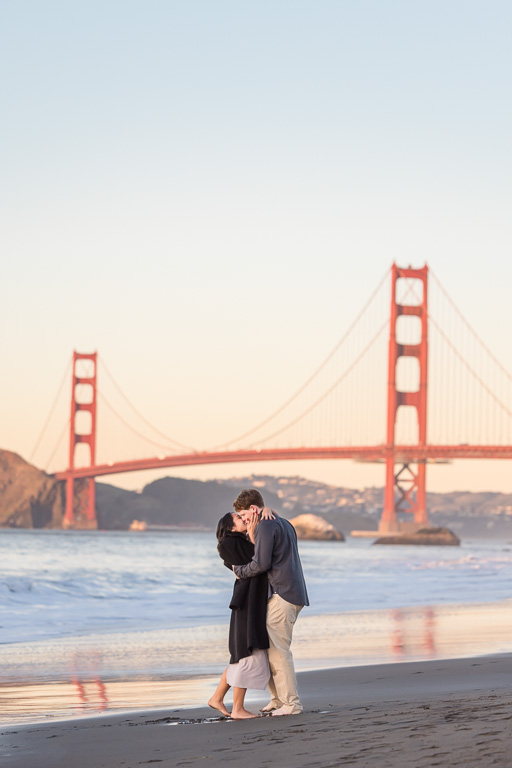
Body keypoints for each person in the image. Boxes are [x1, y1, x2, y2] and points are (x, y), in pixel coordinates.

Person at [232, 489, 309, 717]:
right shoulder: (282, 522)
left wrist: (240, 571)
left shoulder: (266, 525)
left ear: (253, 509)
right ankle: (276, 700)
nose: (244, 519)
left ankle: (291, 704)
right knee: (269, 649)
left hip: (283, 594)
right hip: (293, 593)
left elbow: (261, 563)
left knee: (278, 651)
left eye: (244, 514)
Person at [208, 510, 270, 719]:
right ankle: (237, 709)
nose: (243, 519)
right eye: (237, 518)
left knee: (240, 651)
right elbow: (258, 562)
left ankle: (217, 698)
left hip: (251, 599)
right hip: (247, 601)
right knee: (244, 650)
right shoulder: (229, 543)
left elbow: (255, 560)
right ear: (231, 527)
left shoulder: (239, 540)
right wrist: (252, 534)